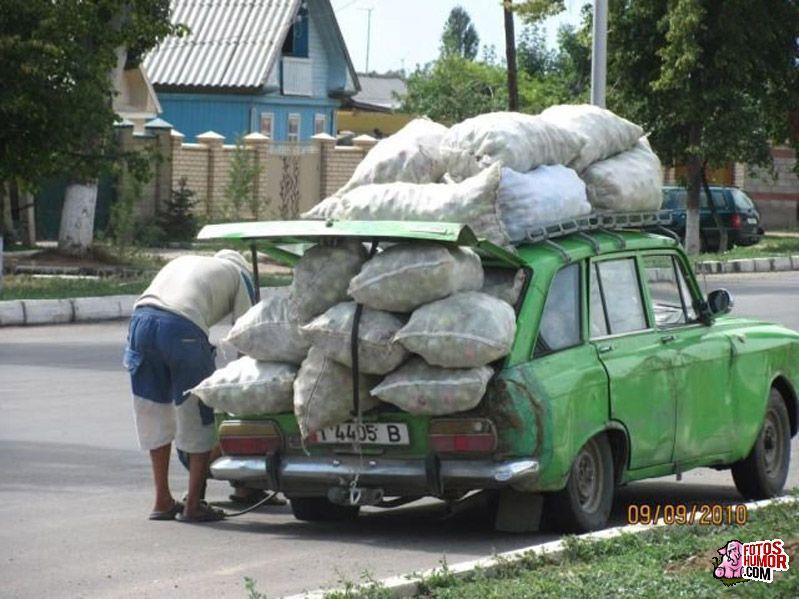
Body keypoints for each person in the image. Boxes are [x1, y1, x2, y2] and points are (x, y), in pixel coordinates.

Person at [124, 250, 255, 522]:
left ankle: (162, 500)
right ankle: (193, 504)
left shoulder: (189, 262)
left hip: (140, 321)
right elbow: (248, 334)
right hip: (181, 328)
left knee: (154, 411)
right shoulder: (240, 275)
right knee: (199, 413)